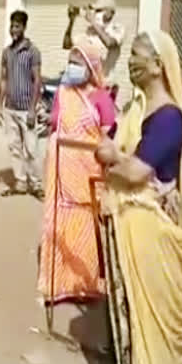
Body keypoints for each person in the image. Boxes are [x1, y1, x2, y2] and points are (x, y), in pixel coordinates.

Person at [94, 30, 182, 364]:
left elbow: (137, 172)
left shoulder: (168, 117)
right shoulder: (135, 108)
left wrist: (112, 156)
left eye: (137, 55)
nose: (130, 62)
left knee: (151, 325)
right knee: (132, 319)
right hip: (133, 225)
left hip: (153, 233)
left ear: (157, 65)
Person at [36, 43, 116, 305]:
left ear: (91, 67)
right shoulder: (63, 92)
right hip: (60, 171)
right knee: (59, 224)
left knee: (87, 226)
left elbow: (107, 138)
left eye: (77, 62)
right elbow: (56, 124)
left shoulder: (102, 98)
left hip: (88, 174)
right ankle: (57, 284)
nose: (72, 68)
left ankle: (86, 284)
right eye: (70, 61)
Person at [0, 10, 43, 199]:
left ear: (24, 27)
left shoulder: (32, 52)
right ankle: (21, 182)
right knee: (14, 147)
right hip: (10, 108)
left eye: (17, 26)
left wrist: (33, 108)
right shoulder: (7, 52)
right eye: (12, 26)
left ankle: (37, 184)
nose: (13, 30)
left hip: (26, 110)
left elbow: (37, 80)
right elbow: (3, 79)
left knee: (31, 149)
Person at [63, 0, 125, 94]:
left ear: (110, 13)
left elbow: (109, 43)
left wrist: (92, 21)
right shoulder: (91, 30)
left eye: (99, 10)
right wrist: (71, 21)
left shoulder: (117, 28)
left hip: (105, 85)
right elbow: (67, 45)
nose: (95, 14)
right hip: (87, 85)